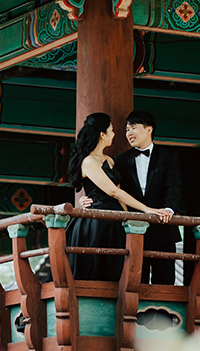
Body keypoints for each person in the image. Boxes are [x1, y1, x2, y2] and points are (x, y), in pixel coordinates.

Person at [67, 112, 170, 282]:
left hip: (116, 219)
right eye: (111, 130)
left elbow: (120, 196)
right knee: (95, 270)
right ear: (102, 134)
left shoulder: (110, 160)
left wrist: (127, 218)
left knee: (117, 267)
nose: (115, 134)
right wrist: (146, 209)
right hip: (97, 221)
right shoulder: (89, 161)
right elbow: (113, 191)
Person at [115, 110, 184, 285]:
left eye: (133, 128)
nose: (129, 133)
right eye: (127, 129)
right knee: (135, 283)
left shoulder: (169, 157)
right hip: (133, 231)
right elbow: (111, 190)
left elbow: (173, 187)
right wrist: (85, 201)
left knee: (165, 283)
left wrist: (169, 209)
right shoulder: (120, 161)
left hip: (163, 229)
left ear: (149, 129)